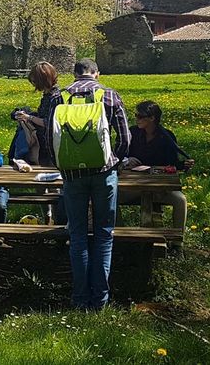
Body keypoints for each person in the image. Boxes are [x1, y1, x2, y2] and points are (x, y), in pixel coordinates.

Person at [48, 58, 130, 310]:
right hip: (104, 173)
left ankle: (80, 299)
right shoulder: (109, 95)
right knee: (104, 235)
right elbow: (125, 136)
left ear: (74, 74)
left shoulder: (59, 97)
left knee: (78, 235)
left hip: (72, 176)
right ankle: (100, 301)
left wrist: (62, 166)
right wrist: (115, 161)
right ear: (96, 73)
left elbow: (49, 139)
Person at [120, 100, 193, 237]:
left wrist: (184, 165)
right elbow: (117, 155)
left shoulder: (166, 136)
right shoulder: (132, 133)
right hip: (133, 186)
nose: (136, 119)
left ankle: (177, 242)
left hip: (159, 188)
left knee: (180, 200)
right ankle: (121, 236)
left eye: (140, 116)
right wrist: (126, 160)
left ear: (152, 118)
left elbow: (173, 164)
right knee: (111, 197)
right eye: (136, 115)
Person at [17, 61, 66, 224]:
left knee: (54, 184)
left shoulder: (55, 97)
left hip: (51, 147)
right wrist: (28, 114)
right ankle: (48, 216)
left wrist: (29, 118)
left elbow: (50, 123)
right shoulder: (47, 95)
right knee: (39, 182)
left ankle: (58, 221)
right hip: (42, 145)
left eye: (34, 81)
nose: (33, 84)